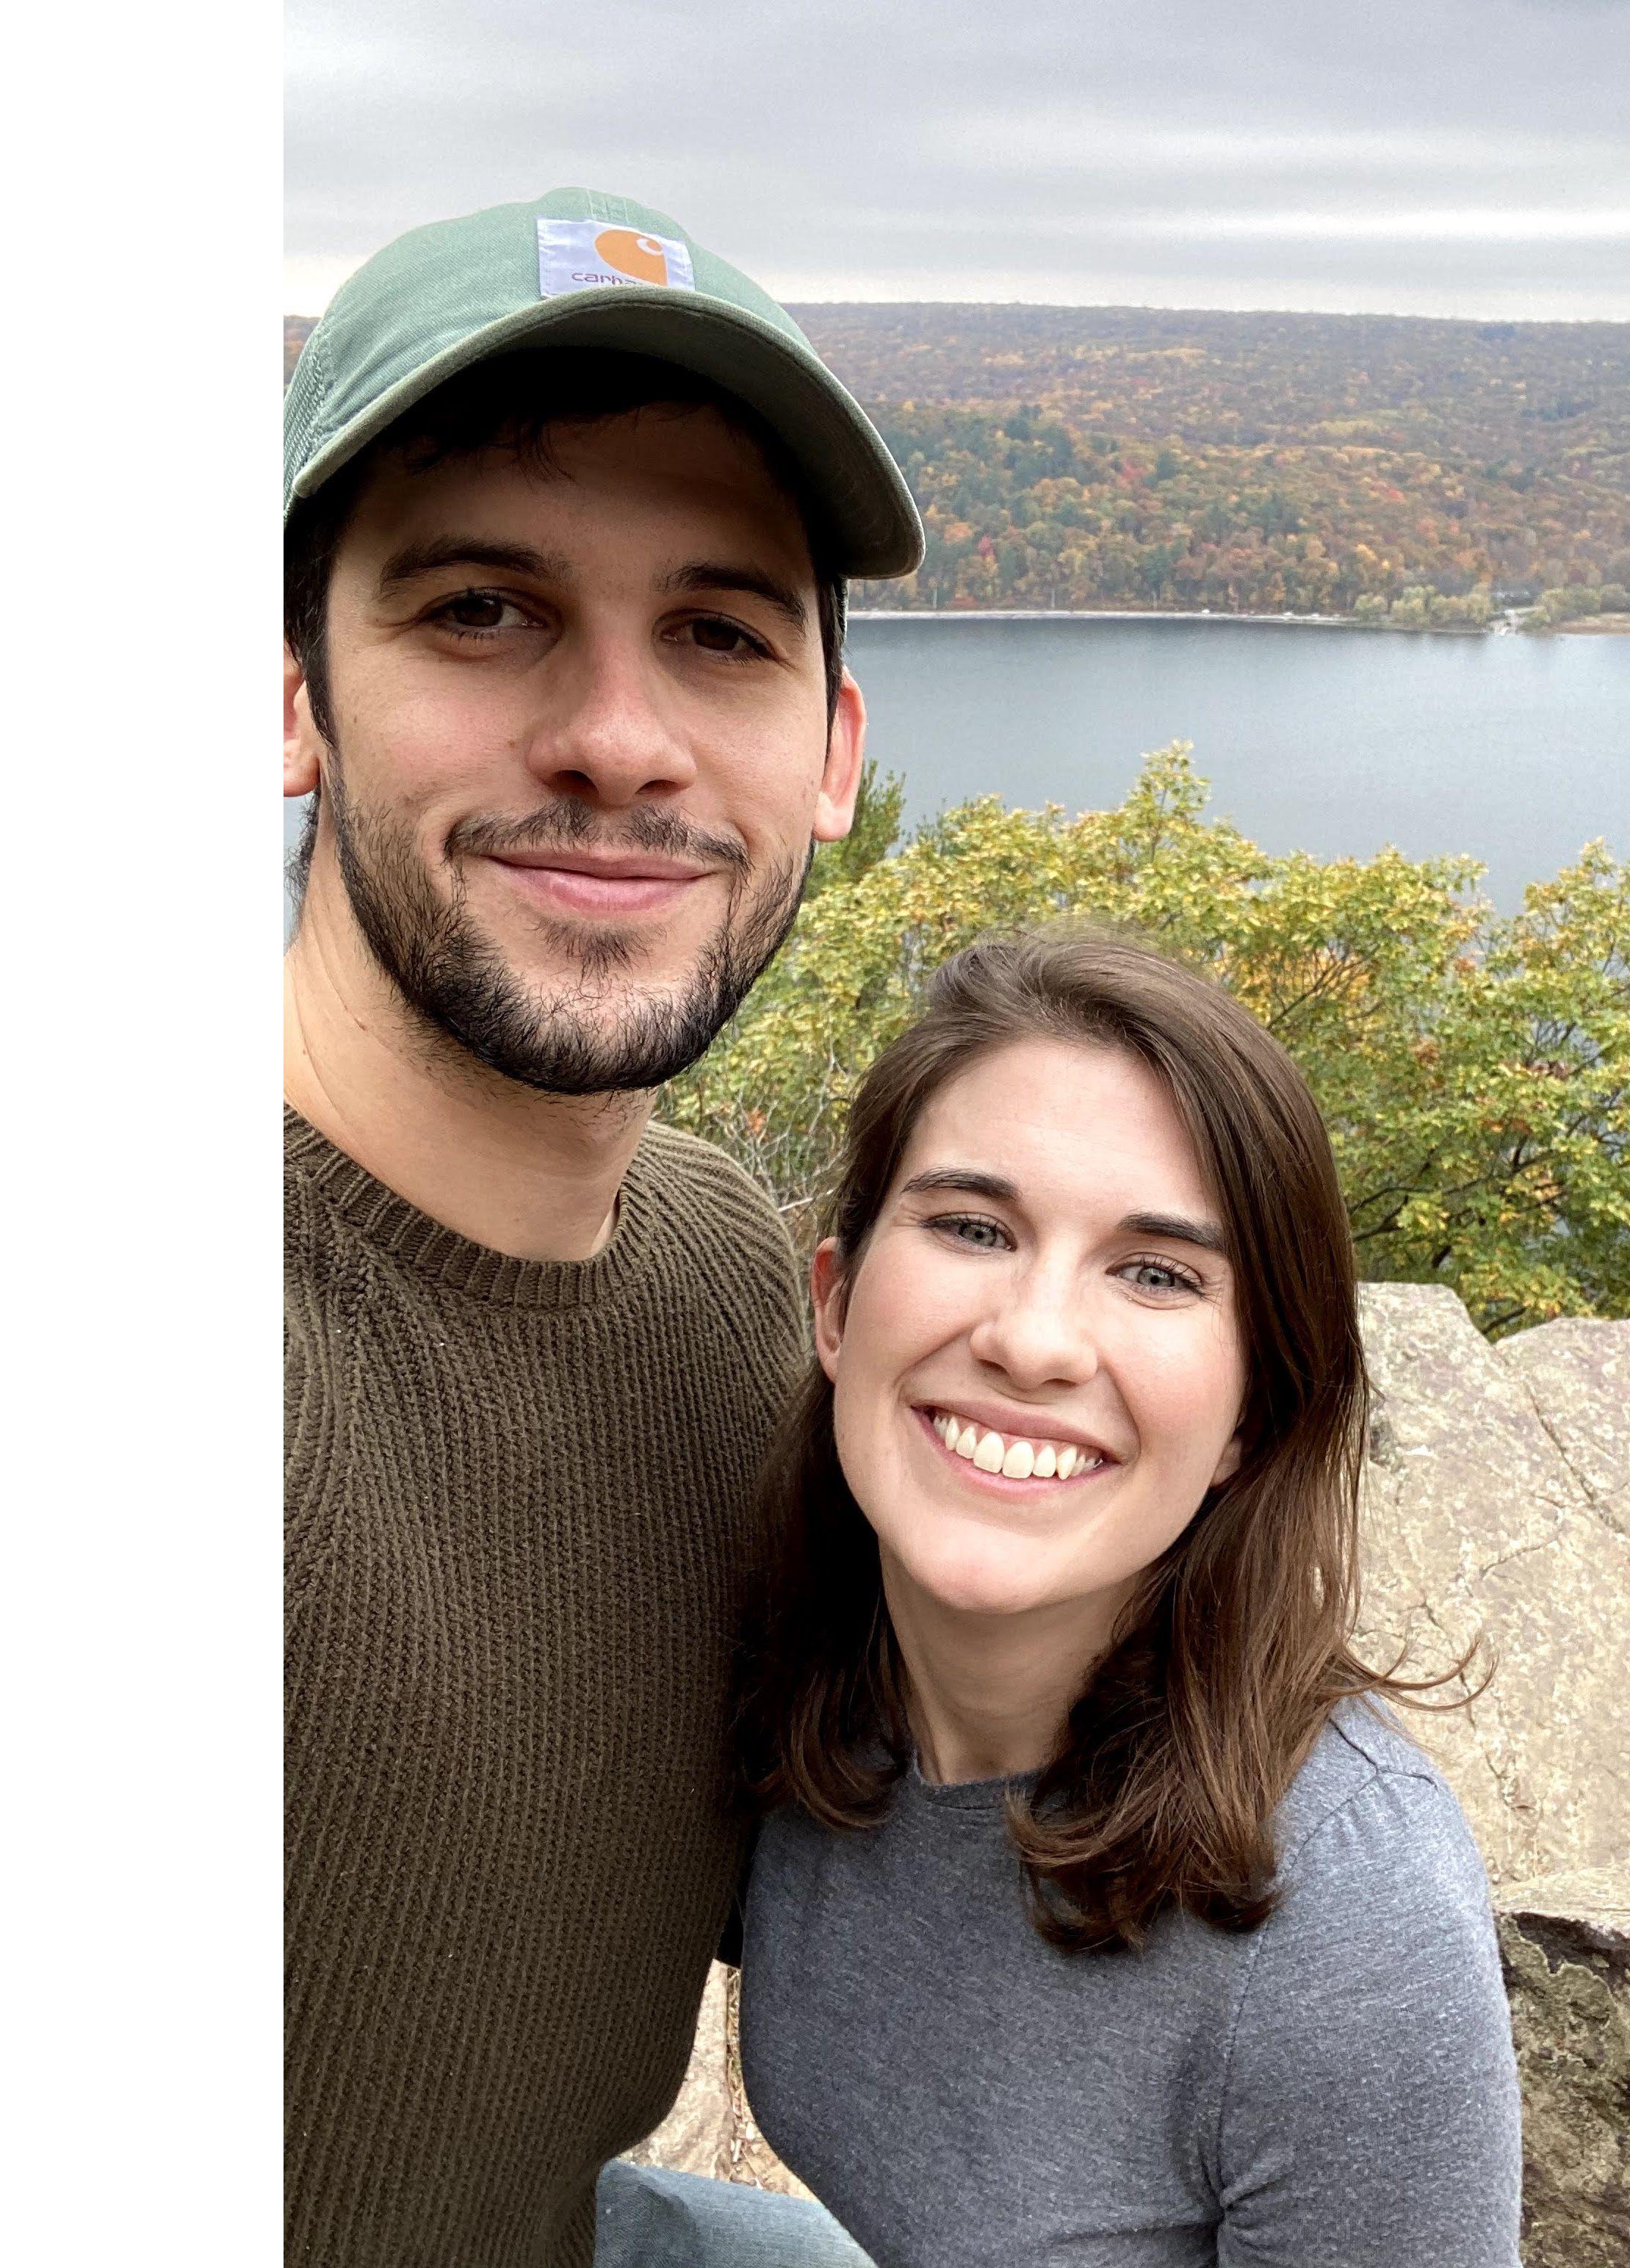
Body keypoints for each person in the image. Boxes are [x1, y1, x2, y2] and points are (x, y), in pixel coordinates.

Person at [282, 188, 909, 2267]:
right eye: (480, 609)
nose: (618, 740)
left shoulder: (742, 1294)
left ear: (828, 754)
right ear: (292, 696)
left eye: (720, 634)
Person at [730, 929, 1525, 2267]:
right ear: (835, 1300)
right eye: (974, 1227)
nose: (1032, 1339)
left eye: (1156, 1272)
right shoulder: (799, 1670)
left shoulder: (1340, 1926)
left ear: (1249, 1417)